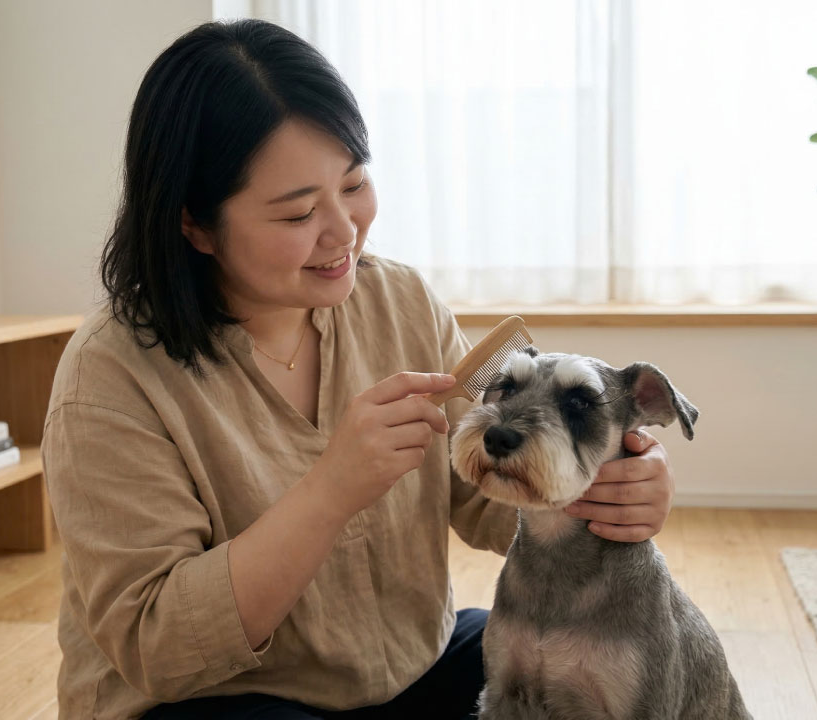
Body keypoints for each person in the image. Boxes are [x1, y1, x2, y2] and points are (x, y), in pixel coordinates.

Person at [40, 18, 677, 720]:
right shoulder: (108, 381)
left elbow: (488, 497)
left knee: (594, 670)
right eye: (297, 213)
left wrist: (613, 492)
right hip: (212, 700)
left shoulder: (400, 300)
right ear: (194, 223)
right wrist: (331, 490)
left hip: (406, 674)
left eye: (354, 184)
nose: (344, 232)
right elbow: (154, 644)